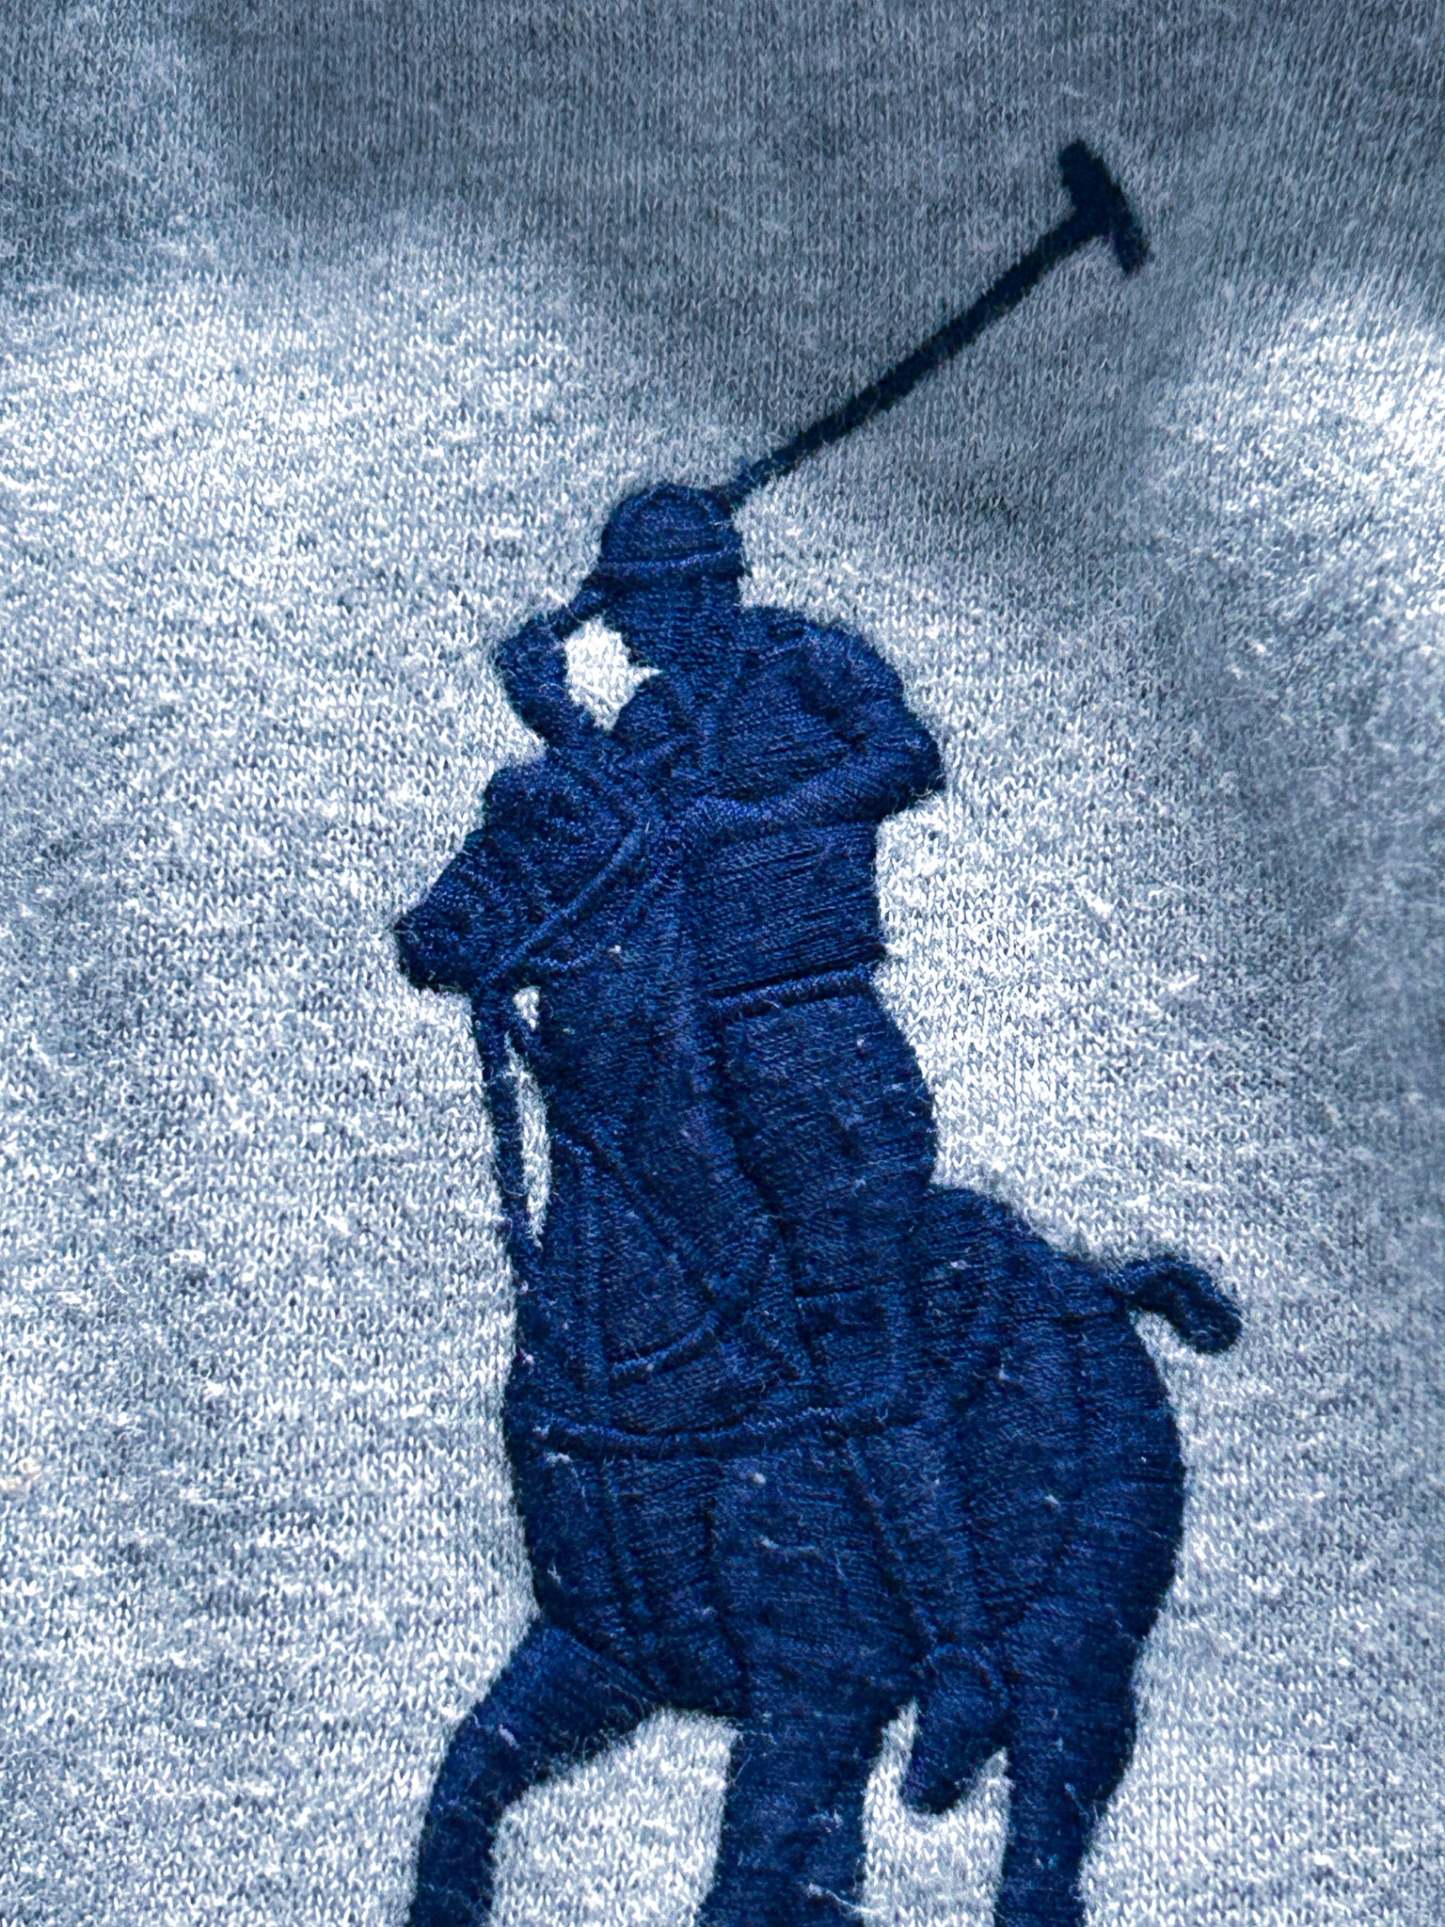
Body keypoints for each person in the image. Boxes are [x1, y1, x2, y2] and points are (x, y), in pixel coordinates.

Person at [489, 482, 1005, 1807]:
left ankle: (960, 1659)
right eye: (616, 611)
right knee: (690, 1340)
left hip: (819, 1041)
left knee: (854, 1346)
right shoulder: (653, 720)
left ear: (699, 591)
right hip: (688, 1062)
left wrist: (759, 819)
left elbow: (907, 759)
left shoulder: (810, 664)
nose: (626, 635)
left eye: (638, 606)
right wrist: (555, 719)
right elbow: (622, 833)